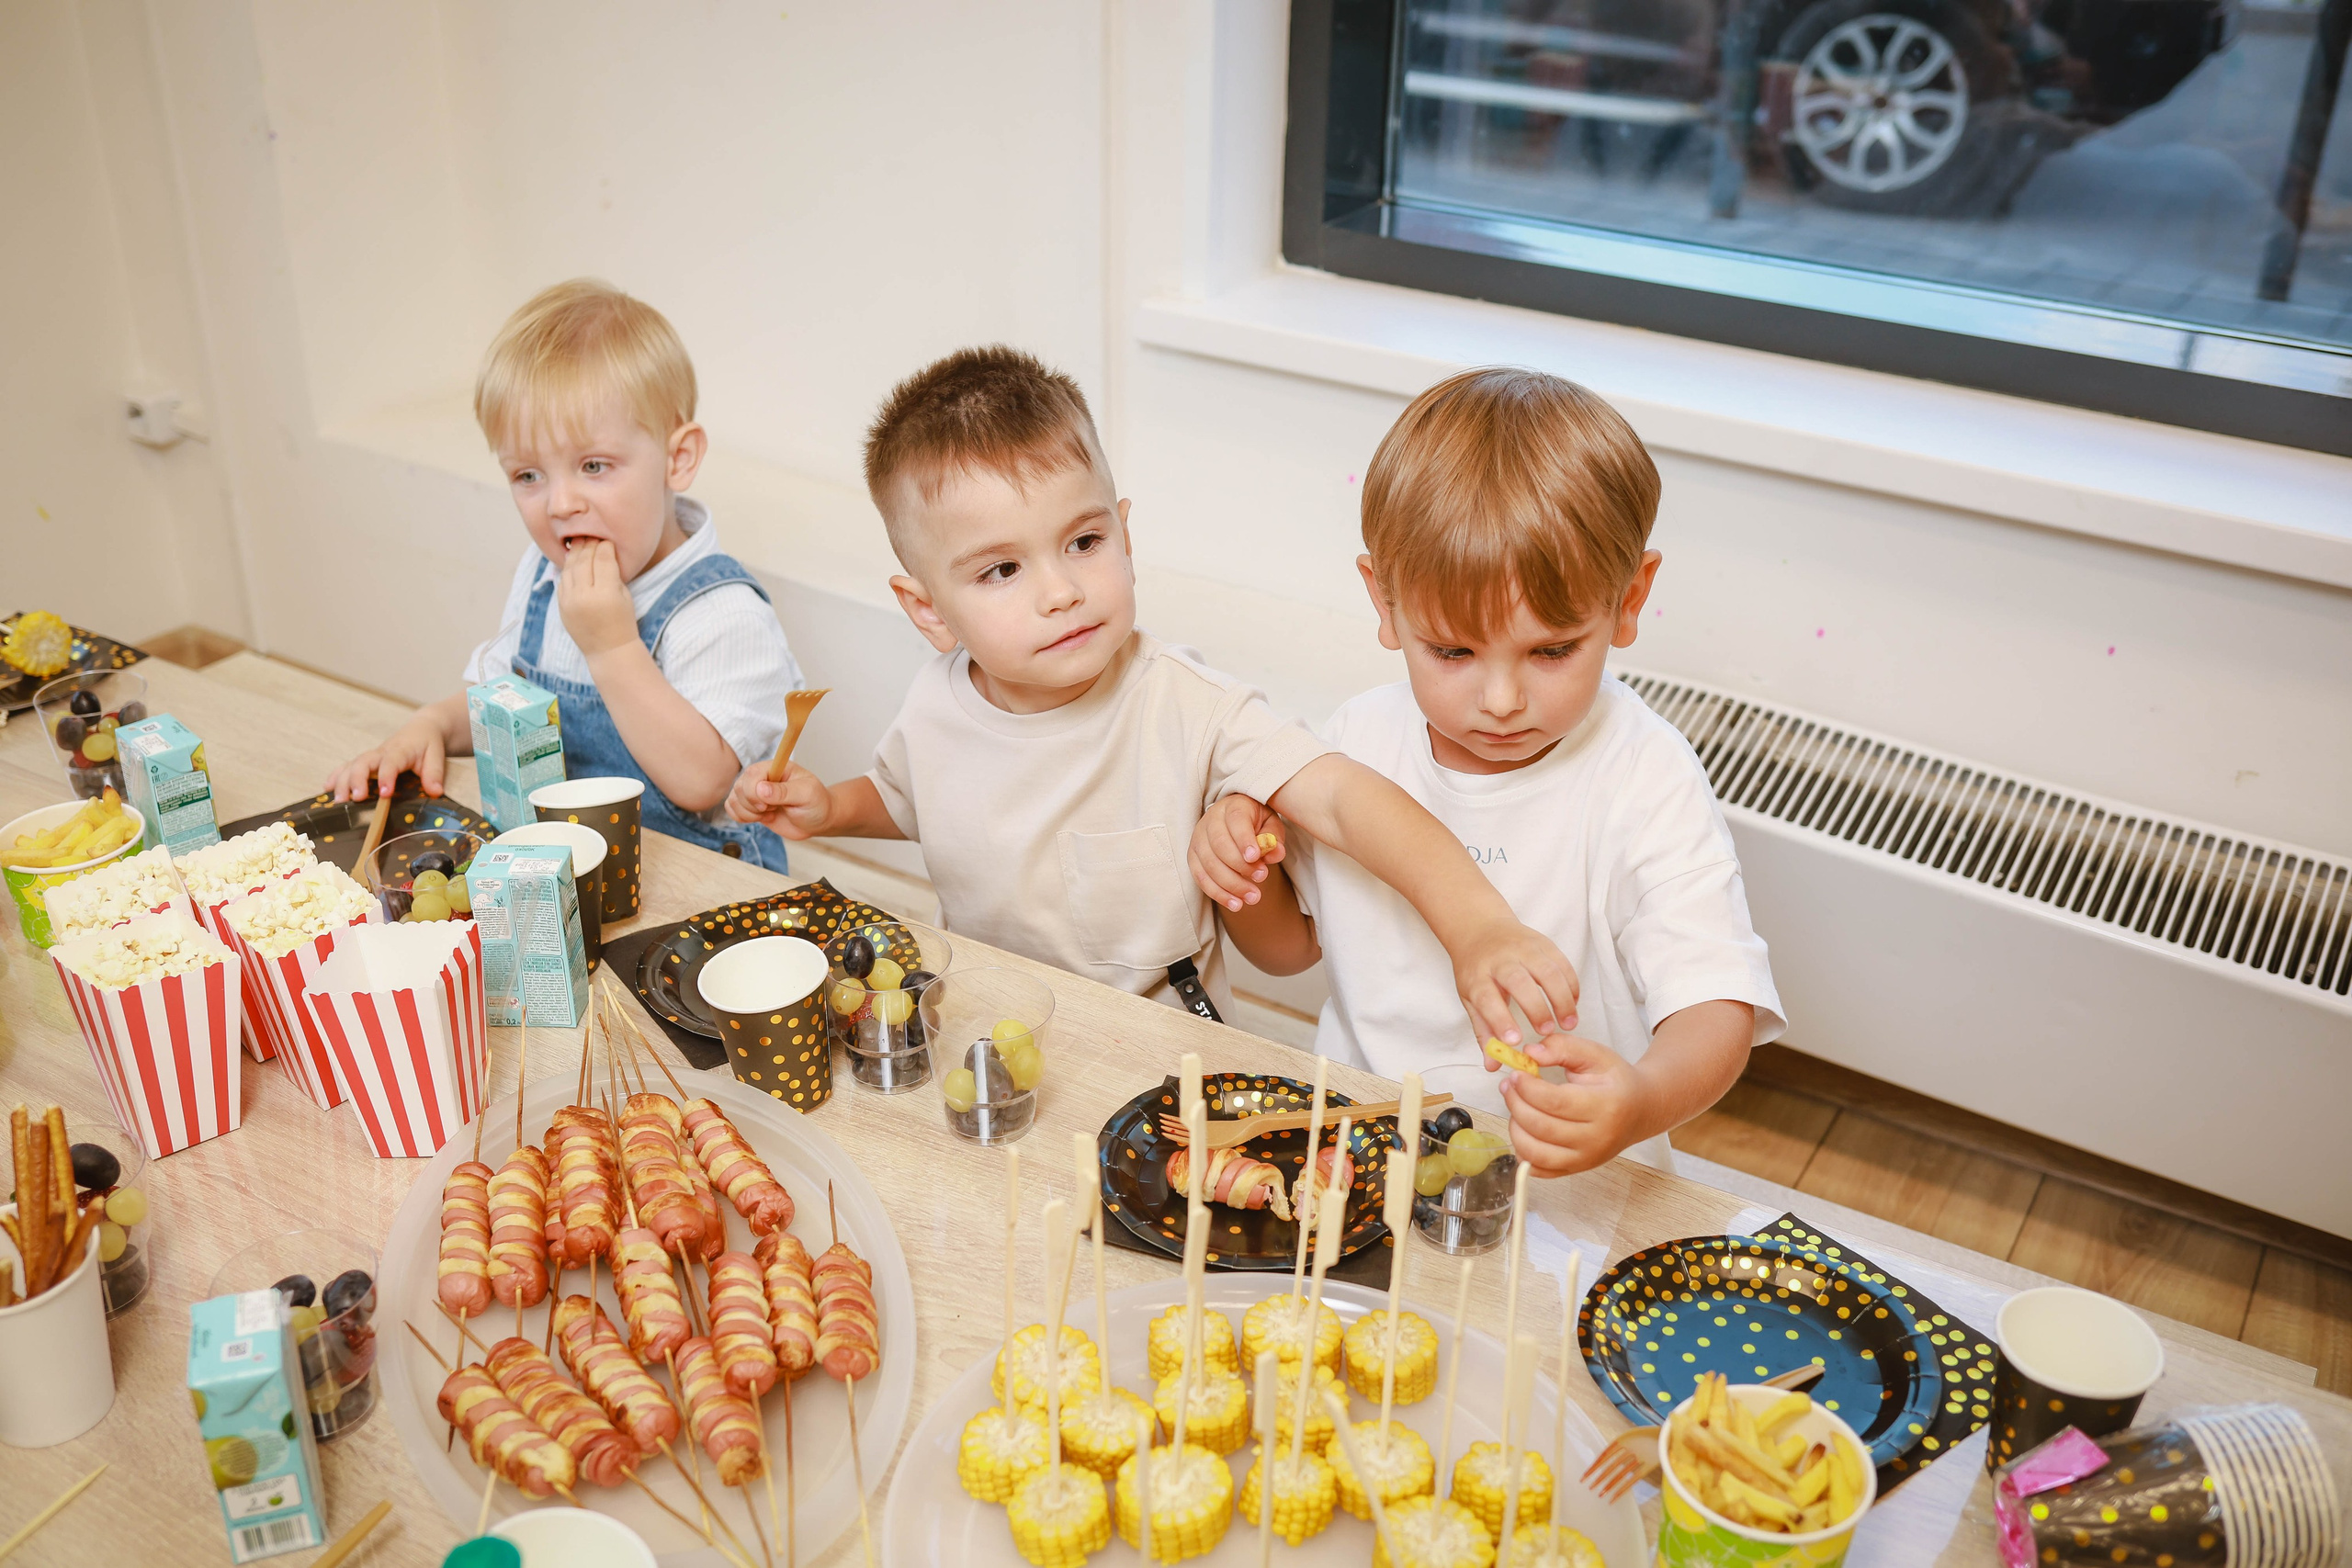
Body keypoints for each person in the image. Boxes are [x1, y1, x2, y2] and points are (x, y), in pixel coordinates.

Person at [725, 345, 1576, 1041]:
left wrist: (1477, 927)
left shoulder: (1190, 703)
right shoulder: (936, 701)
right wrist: (829, 807)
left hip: (1159, 1059)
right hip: (989, 1026)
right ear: (928, 610)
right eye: (1003, 569)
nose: (1060, 590)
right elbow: (910, 797)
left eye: (1084, 541)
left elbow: (1351, 802)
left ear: (1125, 534)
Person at [1189, 367, 1783, 1176]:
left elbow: (1718, 1008)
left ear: (1629, 598)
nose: (1501, 700)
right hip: (1370, 1157)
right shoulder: (1359, 738)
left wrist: (1638, 1102)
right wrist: (1243, 869)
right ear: (1385, 602)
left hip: (1572, 1180)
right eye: (1454, 652)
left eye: (1551, 650)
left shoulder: (1644, 773)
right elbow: (1291, 950)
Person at [329, 280, 803, 869]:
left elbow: (703, 781)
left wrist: (611, 645)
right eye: (528, 476)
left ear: (677, 459)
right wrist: (430, 724)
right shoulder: (544, 573)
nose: (559, 504)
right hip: (578, 863)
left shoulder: (722, 612)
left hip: (700, 882)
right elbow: (508, 695)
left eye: (594, 466)